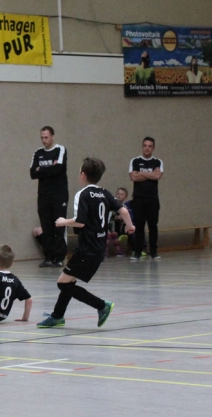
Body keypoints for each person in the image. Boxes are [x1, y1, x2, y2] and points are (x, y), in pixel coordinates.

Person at [38, 157, 134, 329]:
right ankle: (57, 315)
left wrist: (63, 221)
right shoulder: (105, 193)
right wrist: (130, 226)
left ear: (82, 174)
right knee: (69, 281)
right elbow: (124, 210)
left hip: (87, 249)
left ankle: (101, 305)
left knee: (62, 283)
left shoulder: (82, 194)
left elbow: (80, 222)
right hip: (98, 248)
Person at [30, 126, 68, 267]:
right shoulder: (38, 153)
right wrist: (49, 169)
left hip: (59, 194)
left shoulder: (60, 150)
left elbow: (59, 169)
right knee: (46, 226)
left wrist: (42, 169)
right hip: (43, 194)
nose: (44, 140)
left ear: (52, 136)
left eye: (46, 137)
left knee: (58, 225)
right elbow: (33, 173)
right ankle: (48, 257)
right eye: (42, 138)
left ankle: (59, 257)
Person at [129, 137, 163, 260]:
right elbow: (133, 177)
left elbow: (157, 176)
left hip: (152, 199)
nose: (147, 148)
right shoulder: (135, 161)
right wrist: (150, 174)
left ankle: (153, 251)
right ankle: (138, 252)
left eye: (149, 146)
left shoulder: (157, 162)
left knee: (153, 226)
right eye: (145, 145)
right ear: (142, 147)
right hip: (138, 199)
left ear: (153, 148)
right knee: (139, 225)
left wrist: (141, 173)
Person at [106, 187, 132, 257]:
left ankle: (118, 250)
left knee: (115, 234)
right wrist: (115, 217)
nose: (119, 196)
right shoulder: (111, 204)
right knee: (108, 235)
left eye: (121, 194)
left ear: (125, 197)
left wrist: (123, 219)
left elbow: (126, 218)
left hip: (117, 227)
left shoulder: (124, 207)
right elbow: (108, 216)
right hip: (107, 225)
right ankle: (105, 251)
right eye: (118, 194)